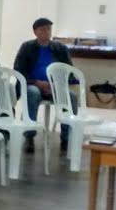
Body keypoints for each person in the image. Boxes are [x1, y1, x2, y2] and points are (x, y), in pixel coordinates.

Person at [12, 17, 76, 153]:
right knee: (32, 93)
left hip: (55, 86)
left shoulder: (60, 48)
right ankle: (29, 136)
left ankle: (66, 138)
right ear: (35, 32)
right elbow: (18, 70)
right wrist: (36, 82)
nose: (46, 32)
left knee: (71, 97)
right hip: (33, 84)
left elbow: (69, 71)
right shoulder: (27, 47)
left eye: (48, 29)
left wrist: (56, 84)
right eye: (42, 29)